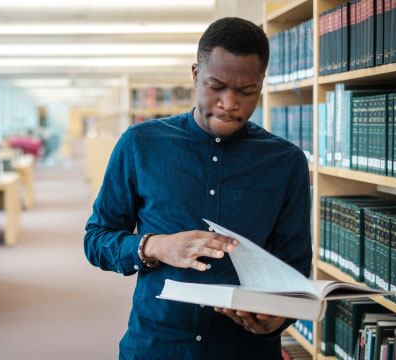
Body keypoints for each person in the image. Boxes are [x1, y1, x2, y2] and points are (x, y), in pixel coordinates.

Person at [84, 17, 312, 360]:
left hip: (245, 350)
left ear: (261, 84)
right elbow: (96, 239)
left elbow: (295, 266)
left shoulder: (287, 162)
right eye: (216, 86)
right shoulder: (140, 144)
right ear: (195, 74)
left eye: (246, 91)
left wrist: (279, 317)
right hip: (156, 345)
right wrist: (156, 246)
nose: (229, 103)